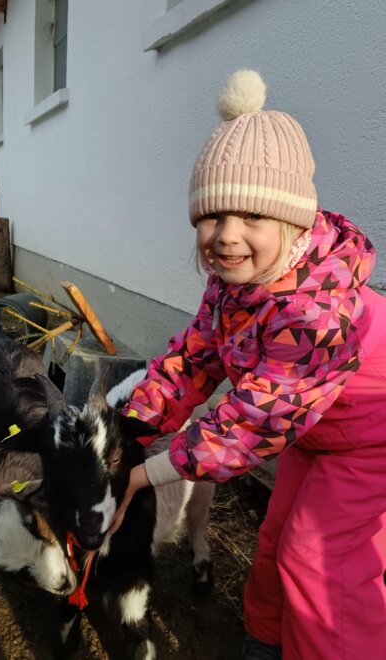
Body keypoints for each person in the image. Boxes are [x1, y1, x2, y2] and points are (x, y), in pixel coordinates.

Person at [112, 70, 386, 659]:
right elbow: (192, 359)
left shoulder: (315, 310)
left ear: (292, 222)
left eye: (252, 218)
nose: (226, 236)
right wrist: (128, 430)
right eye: (212, 217)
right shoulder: (233, 289)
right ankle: (267, 641)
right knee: (276, 538)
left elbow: (252, 423)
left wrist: (144, 472)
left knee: (320, 561)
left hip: (371, 439)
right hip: (312, 434)